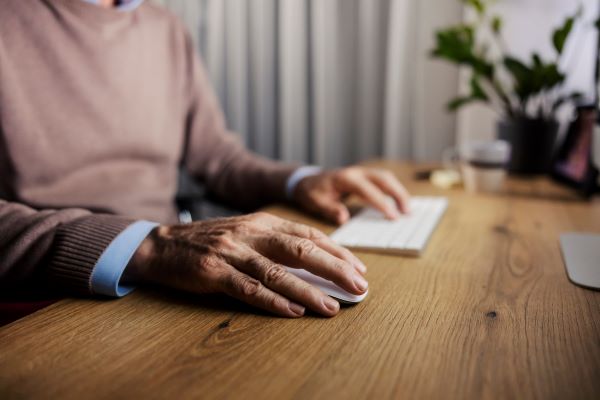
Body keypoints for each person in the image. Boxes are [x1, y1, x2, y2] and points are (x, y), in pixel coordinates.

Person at [0, 0, 411, 318]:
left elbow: (218, 159)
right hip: (45, 298)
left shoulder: (164, 28)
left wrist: (301, 180)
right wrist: (150, 247)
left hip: (170, 279)